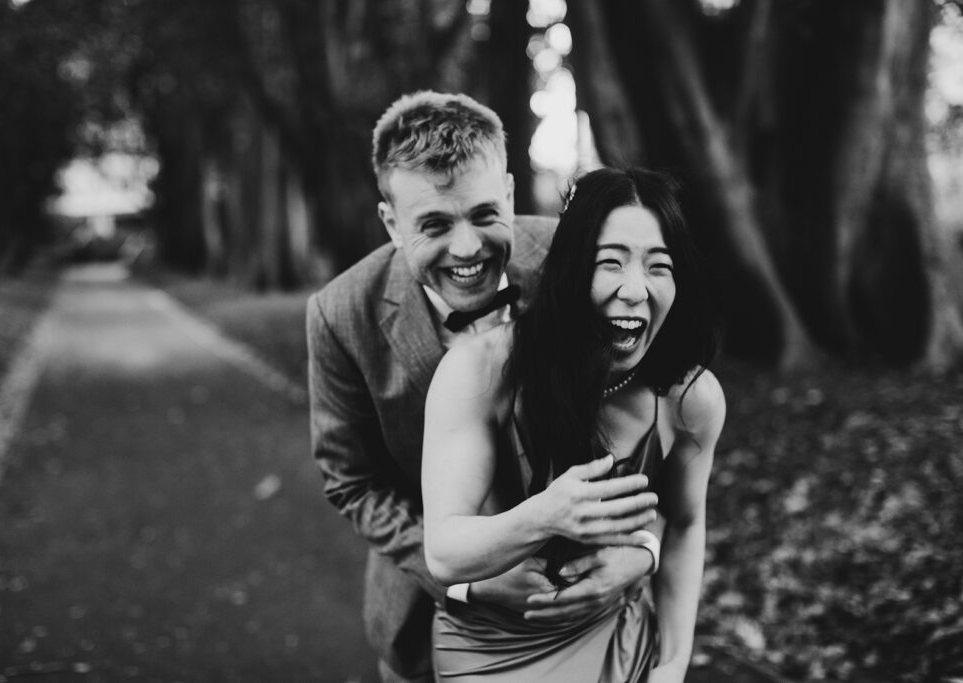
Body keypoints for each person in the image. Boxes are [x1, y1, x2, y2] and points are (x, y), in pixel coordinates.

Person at [307, 92, 659, 682]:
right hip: (430, 621)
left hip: (594, 615)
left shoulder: (578, 263)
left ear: (512, 194)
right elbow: (354, 483)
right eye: (435, 225)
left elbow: (655, 416)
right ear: (392, 223)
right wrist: (471, 575)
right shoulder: (341, 314)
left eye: (484, 214)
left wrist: (640, 551)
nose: (467, 247)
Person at [421, 166, 725, 681]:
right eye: (611, 263)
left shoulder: (691, 400)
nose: (635, 289)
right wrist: (545, 515)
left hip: (615, 638)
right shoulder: (481, 370)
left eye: (659, 266)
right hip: (493, 645)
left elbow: (687, 524)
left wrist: (673, 663)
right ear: (571, 269)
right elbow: (445, 552)